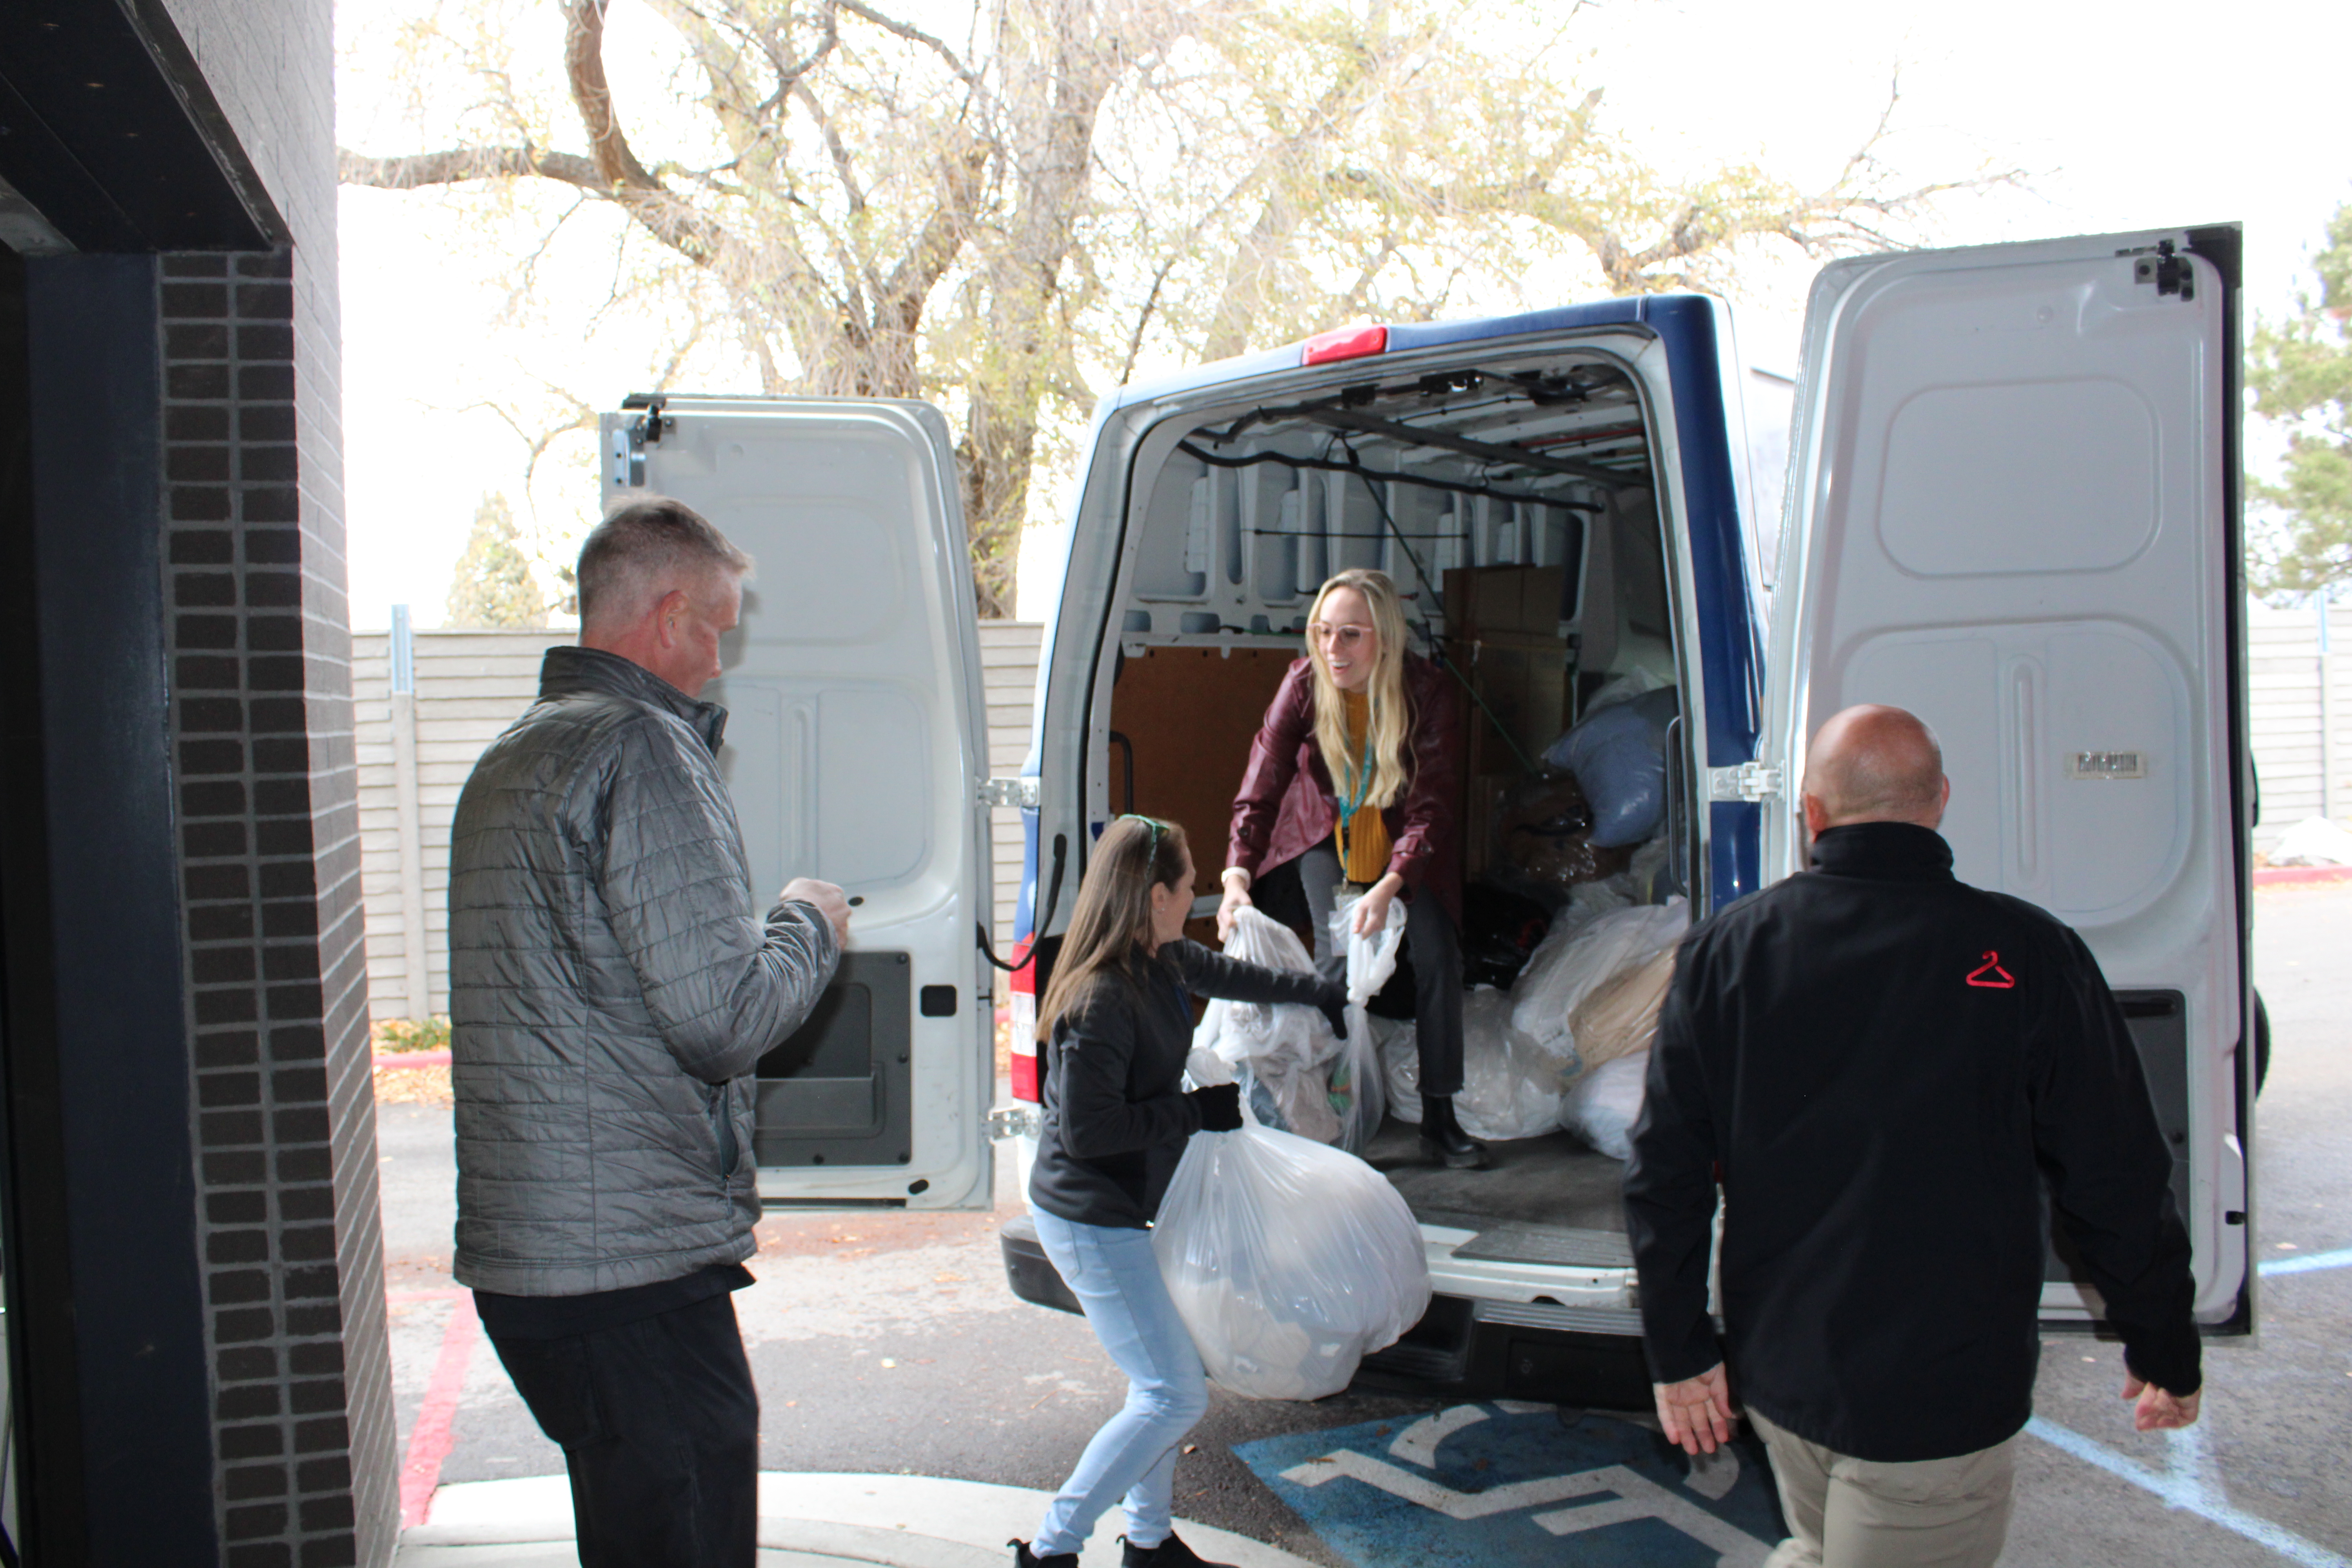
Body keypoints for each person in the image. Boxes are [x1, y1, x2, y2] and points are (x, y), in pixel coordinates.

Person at [1624, 704, 2202, 1568]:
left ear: (1811, 815)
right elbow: (2115, 1172)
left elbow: (1664, 1171)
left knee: (1819, 1542)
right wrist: (2164, 1340)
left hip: (1783, 1376)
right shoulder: (2030, 951)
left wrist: (1681, 1350)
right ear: (1939, 801)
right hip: (1939, 1395)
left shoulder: (1726, 951)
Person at [447, 497, 852, 1568]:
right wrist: (809, 919)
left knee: (631, 1525)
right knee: (686, 1526)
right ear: (667, 613)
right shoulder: (644, 752)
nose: (720, 659)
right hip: (624, 1265)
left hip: (538, 1260)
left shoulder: (512, 757)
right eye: (716, 626)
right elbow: (723, 1022)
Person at [1013, 816, 1347, 1568]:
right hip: (1088, 1215)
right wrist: (1191, 1114)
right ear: (1155, 895)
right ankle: (1051, 1550)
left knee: (1162, 1383)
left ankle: (1150, 1545)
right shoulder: (1102, 996)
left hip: (1127, 1207)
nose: (1197, 893)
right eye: (1189, 882)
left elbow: (1230, 975)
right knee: (1173, 1394)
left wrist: (1316, 992)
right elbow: (1089, 1133)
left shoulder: (1159, 958)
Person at [1216, 568, 1484, 1168]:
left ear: (1385, 638)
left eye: (1351, 635)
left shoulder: (1429, 692)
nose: (1333, 649)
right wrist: (1238, 872)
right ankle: (1327, 1115)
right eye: (1323, 632)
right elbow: (1263, 778)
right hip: (1325, 836)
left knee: (1438, 957)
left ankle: (1439, 1117)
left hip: (1402, 847)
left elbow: (1432, 806)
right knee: (1333, 969)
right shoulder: (1305, 682)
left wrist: (1393, 884)